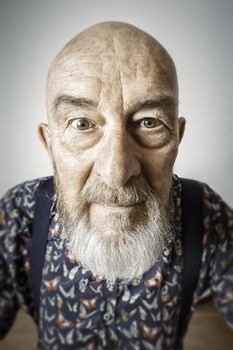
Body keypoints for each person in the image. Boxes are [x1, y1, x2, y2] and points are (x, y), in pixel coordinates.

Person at [0, 21, 232, 350]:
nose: (116, 171)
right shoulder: (19, 216)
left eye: (149, 122)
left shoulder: (205, 215)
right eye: (81, 124)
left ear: (177, 138)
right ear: (49, 143)